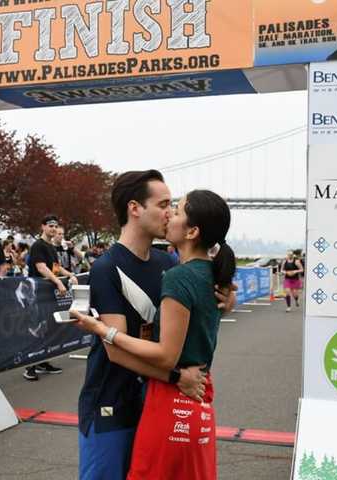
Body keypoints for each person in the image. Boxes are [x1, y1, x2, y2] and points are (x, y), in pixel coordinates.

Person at [71, 170, 234, 480]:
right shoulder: (106, 268)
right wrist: (175, 377)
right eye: (164, 204)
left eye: (174, 206)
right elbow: (115, 352)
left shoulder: (169, 264)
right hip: (111, 405)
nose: (170, 213)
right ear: (135, 209)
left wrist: (226, 299)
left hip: (152, 405)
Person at [23, 214, 78, 382]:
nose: (53, 229)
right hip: (36, 294)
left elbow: (55, 268)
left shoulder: (52, 247)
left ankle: (42, 362)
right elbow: (41, 268)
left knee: (46, 328)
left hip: (48, 295)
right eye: (50, 226)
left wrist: (70, 275)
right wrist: (59, 283)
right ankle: (29, 366)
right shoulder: (38, 246)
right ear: (43, 227)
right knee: (35, 329)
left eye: (55, 226)